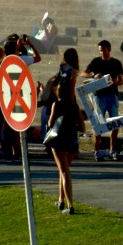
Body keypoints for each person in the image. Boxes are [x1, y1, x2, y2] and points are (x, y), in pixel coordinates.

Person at [46, 77, 84, 214]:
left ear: (58, 92)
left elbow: (50, 124)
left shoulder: (56, 105)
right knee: (64, 169)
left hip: (59, 140)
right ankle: (61, 200)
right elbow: (83, 127)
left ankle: (70, 205)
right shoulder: (75, 106)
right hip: (72, 140)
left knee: (64, 172)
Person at [83, 40, 123, 159]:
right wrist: (93, 76)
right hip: (99, 96)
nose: (103, 53)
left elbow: (121, 80)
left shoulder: (116, 63)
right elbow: (83, 73)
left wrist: (117, 82)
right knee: (98, 124)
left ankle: (112, 150)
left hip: (112, 95)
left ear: (109, 50)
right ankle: (97, 150)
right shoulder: (96, 62)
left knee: (115, 123)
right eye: (101, 50)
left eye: (104, 50)